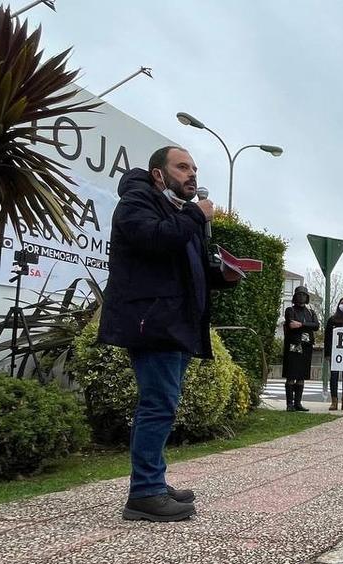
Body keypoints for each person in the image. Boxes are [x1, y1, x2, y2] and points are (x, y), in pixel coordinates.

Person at [98, 146, 240, 522]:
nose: (192, 174)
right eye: (182, 167)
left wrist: (221, 276)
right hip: (152, 320)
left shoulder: (179, 212)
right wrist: (195, 215)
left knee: (164, 404)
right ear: (158, 174)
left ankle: (154, 482)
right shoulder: (137, 202)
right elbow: (155, 240)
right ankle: (144, 492)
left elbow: (183, 263)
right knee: (157, 405)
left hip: (175, 323)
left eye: (194, 168)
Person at [282, 286, 320, 412]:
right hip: (294, 345)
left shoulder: (310, 312)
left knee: (302, 376)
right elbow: (291, 324)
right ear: (295, 296)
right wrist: (303, 326)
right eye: (299, 294)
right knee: (291, 374)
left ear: (307, 297)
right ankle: (289, 404)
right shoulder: (290, 310)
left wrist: (302, 324)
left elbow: (316, 326)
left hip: (306, 346)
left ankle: (298, 403)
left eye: (304, 295)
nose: (301, 297)